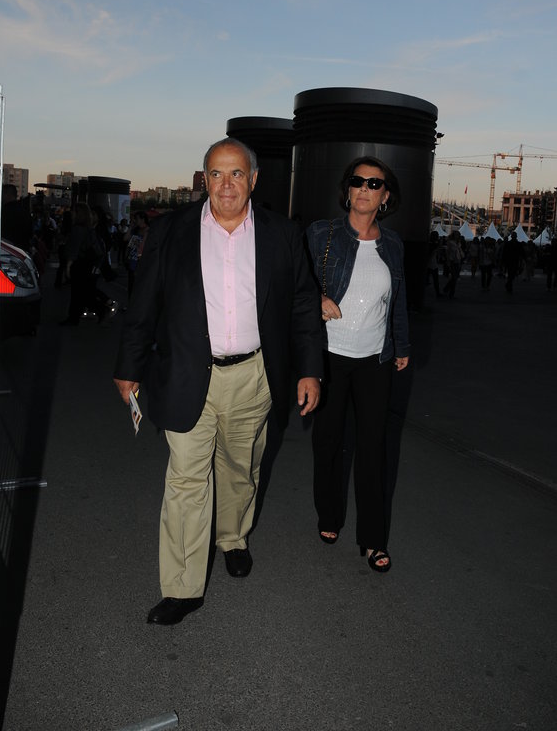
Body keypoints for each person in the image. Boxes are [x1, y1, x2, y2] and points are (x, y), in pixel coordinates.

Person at [113, 138, 322, 626]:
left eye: (236, 173)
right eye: (215, 174)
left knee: (240, 469)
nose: (226, 184)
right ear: (203, 179)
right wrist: (129, 367)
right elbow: (144, 303)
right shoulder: (170, 230)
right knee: (186, 480)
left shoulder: (281, 233)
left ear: (254, 179)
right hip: (187, 371)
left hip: (254, 376)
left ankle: (232, 537)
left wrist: (310, 369)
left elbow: (301, 304)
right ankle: (181, 588)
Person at [305, 156, 410, 574]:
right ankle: (329, 514)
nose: (365, 188)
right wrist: (316, 298)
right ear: (348, 190)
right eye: (358, 181)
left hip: (375, 359)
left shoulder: (393, 244)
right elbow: (295, 280)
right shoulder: (322, 234)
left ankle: (373, 538)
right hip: (330, 355)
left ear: (385, 196)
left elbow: (397, 300)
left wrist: (402, 343)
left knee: (373, 449)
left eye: (375, 183)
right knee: (328, 442)